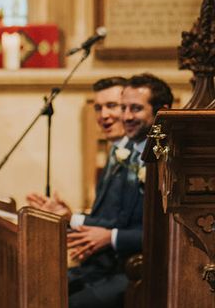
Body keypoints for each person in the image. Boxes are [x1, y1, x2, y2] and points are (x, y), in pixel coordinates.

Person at [28, 73, 172, 308]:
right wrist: (71, 218)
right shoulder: (129, 154)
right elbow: (117, 218)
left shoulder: (165, 159)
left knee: (69, 302)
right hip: (113, 262)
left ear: (161, 111)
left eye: (134, 108)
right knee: (41, 290)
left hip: (141, 268)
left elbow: (165, 230)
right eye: (123, 108)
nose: (124, 117)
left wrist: (108, 235)